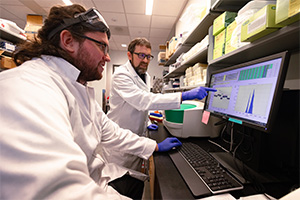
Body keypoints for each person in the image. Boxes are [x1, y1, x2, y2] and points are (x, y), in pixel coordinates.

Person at [0, 4, 182, 200]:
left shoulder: (76, 84)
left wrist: (152, 146)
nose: (108, 56)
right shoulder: (30, 87)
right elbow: (58, 191)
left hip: (97, 179)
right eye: (101, 45)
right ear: (68, 41)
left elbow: (109, 130)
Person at [106, 38, 216, 173]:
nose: (145, 60)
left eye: (148, 56)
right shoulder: (121, 75)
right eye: (141, 55)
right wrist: (183, 96)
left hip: (137, 140)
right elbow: (142, 100)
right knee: (120, 183)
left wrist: (146, 123)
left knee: (135, 181)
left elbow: (140, 106)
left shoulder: (145, 75)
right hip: (120, 145)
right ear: (129, 55)